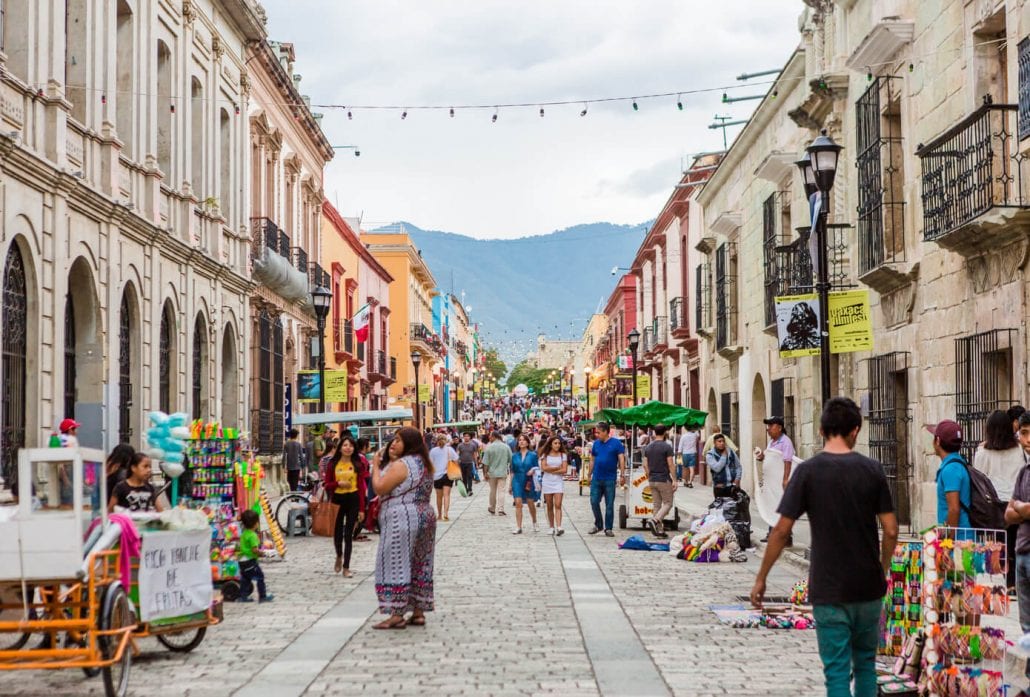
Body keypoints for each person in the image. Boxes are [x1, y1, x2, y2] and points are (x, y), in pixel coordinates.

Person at [751, 397, 897, 697]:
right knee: (866, 666)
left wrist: (762, 577)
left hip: (829, 588)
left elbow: (780, 530)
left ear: (821, 430)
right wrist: (881, 570)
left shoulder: (808, 472)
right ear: (856, 430)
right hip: (868, 588)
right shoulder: (873, 470)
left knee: (837, 673)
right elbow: (892, 530)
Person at [372, 427, 436, 629]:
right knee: (421, 563)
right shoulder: (424, 463)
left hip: (402, 517)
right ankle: (418, 611)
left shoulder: (402, 464)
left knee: (395, 562)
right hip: (425, 515)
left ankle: (396, 613)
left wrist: (375, 466)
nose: (394, 443)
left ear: (409, 443)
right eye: (394, 440)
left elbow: (380, 487)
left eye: (399, 440)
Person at [976, 409, 1025, 587]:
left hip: (994, 505)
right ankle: (1013, 582)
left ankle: (1005, 580)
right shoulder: (1019, 451)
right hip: (1014, 503)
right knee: (1015, 544)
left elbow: (980, 478)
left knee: (1001, 545)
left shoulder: (982, 453)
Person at [1004, 411, 1030, 689]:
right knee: (1027, 627)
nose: (1026, 439)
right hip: (1022, 553)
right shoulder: (1023, 472)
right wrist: (1021, 511)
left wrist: (1021, 509)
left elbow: (1018, 509)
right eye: (1023, 433)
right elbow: (1007, 515)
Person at [324, 435, 364, 577]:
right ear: (340, 448)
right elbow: (326, 484)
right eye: (345, 445)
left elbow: (361, 487)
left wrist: (361, 508)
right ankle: (339, 555)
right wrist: (338, 484)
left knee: (348, 534)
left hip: (353, 498)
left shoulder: (357, 464)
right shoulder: (333, 464)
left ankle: (347, 567)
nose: (348, 448)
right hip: (337, 499)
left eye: (351, 446)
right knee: (337, 532)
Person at [757, 416, 796, 544]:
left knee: (781, 508)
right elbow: (771, 457)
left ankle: (786, 537)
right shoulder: (772, 442)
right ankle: (771, 533)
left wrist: (785, 479)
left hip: (780, 484)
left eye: (771, 426)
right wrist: (761, 456)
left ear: (779, 428)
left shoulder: (786, 442)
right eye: (768, 426)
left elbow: (788, 460)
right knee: (772, 507)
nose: (768, 429)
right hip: (771, 484)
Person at [930, 419, 970, 528]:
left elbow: (954, 509)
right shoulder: (957, 463)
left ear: (937, 441)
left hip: (958, 539)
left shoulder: (950, 469)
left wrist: (948, 538)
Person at [588, 422, 626, 537]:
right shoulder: (596, 444)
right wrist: (589, 474)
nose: (597, 434)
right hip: (597, 477)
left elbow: (621, 459)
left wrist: (622, 475)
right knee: (594, 501)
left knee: (609, 504)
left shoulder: (616, 443)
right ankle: (598, 524)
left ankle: (608, 528)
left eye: (599, 432)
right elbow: (592, 459)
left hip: (610, 478)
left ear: (605, 432)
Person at [643, 424, 676, 538]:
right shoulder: (667, 447)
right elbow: (670, 464)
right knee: (668, 503)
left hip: (652, 479)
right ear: (665, 432)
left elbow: (645, 465)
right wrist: (675, 480)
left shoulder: (648, 447)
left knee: (656, 505)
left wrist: (649, 475)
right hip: (663, 478)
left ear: (654, 433)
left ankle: (659, 530)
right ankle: (655, 520)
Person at [237, 508, 274, 603]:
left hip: (242, 561)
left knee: (245, 578)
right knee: (260, 576)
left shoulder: (244, 534)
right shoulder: (253, 535)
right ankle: (263, 596)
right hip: (250, 561)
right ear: (255, 523)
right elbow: (254, 550)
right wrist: (263, 553)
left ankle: (243, 596)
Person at [510, 434, 540, 534]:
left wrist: (532, 469)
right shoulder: (514, 456)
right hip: (517, 480)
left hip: (529, 480)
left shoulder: (533, 455)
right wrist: (510, 485)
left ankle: (535, 522)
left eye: (523, 440)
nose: (521, 442)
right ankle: (519, 526)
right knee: (518, 503)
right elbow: (512, 471)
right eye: (520, 440)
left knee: (530, 502)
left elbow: (537, 467)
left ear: (527, 442)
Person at [540, 436, 568, 535]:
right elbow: (543, 468)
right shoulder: (545, 455)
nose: (557, 445)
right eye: (555, 443)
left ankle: (559, 526)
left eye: (559, 443)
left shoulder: (563, 455)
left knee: (558, 504)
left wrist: (550, 469)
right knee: (549, 505)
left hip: (558, 482)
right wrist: (556, 468)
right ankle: (551, 526)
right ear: (550, 444)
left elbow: (564, 470)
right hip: (547, 481)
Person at [429, 435, 458, 521]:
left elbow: (430, 464)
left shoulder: (433, 451)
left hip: (437, 476)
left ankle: (439, 515)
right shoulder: (450, 450)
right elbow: (456, 461)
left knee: (439, 497)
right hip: (448, 475)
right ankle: (446, 513)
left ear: (437, 441)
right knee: (447, 495)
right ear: (446, 440)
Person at [483, 431, 512, 516]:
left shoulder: (489, 447)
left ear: (494, 437)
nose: (489, 439)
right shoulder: (506, 447)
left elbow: (485, 463)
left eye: (490, 437)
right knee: (501, 491)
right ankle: (500, 509)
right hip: (502, 472)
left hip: (491, 473)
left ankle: (492, 507)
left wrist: (485, 473)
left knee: (492, 491)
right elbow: (511, 460)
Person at [283, 428, 305, 492]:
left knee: (290, 481)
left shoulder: (286, 444)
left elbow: (284, 456)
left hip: (289, 466)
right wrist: (303, 466)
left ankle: (292, 493)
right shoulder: (298, 444)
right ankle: (294, 494)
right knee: (295, 481)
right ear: (296, 435)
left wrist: (284, 466)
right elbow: (301, 456)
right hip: (297, 466)